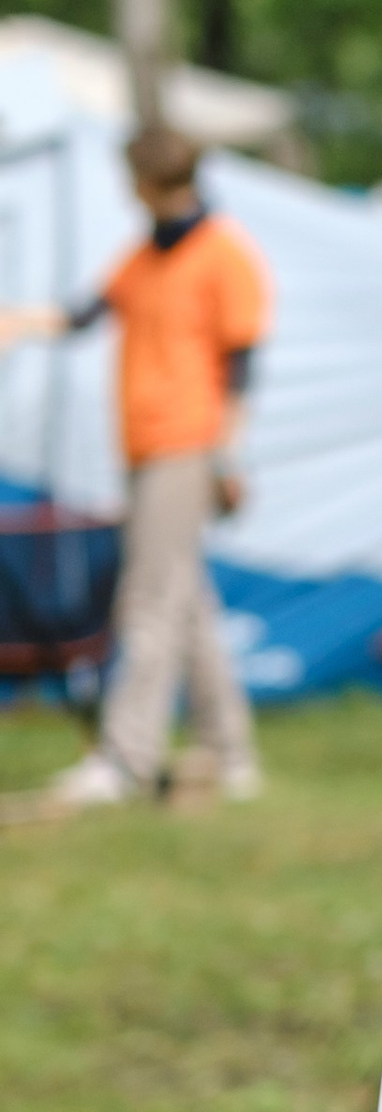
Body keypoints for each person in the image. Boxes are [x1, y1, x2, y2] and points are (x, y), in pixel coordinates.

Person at [0, 122, 271, 806]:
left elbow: (242, 365)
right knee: (187, 601)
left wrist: (229, 456)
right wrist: (19, 321)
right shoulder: (146, 257)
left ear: (149, 183)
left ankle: (126, 757)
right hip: (144, 445)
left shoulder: (223, 255)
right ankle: (229, 753)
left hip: (188, 445)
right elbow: (85, 313)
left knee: (147, 600)